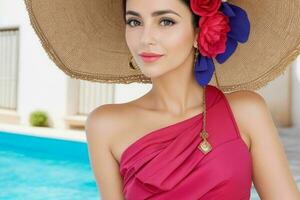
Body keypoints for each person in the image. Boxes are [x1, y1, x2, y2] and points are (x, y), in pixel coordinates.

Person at [24, 0, 300, 199]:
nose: (145, 38)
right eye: (134, 21)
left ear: (199, 31)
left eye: (165, 21)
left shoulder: (245, 111)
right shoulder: (105, 124)